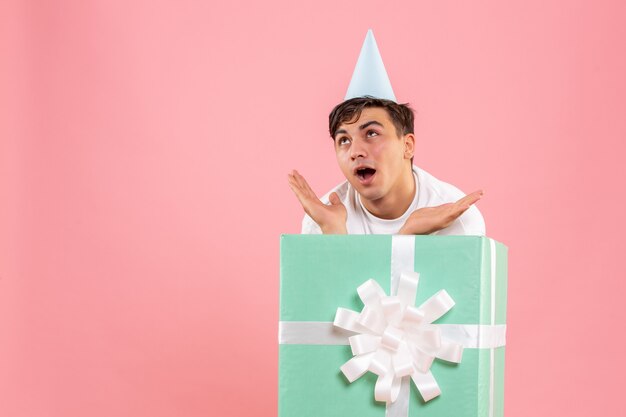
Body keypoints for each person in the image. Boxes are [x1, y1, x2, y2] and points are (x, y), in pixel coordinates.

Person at [287, 96, 486, 235]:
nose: (355, 151)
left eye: (372, 133)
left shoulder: (456, 218)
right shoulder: (322, 220)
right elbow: (322, 296)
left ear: (407, 146)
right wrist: (335, 235)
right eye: (344, 140)